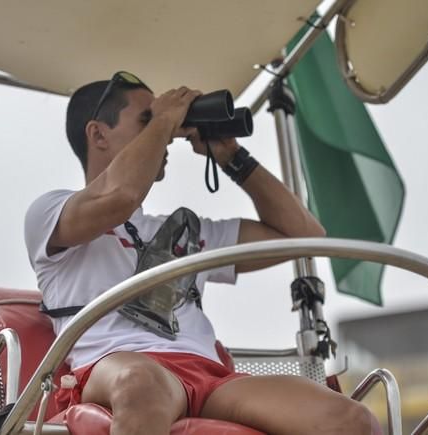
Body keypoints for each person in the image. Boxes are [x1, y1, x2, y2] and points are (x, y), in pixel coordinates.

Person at [25, 71, 381, 435]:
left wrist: (230, 155)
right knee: (140, 382)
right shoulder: (51, 213)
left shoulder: (187, 234)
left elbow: (304, 235)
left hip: (208, 376)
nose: (166, 135)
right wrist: (165, 120)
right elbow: (120, 198)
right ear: (98, 134)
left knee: (351, 419)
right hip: (120, 368)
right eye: (146, 119)